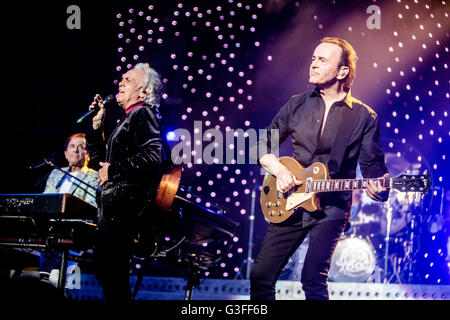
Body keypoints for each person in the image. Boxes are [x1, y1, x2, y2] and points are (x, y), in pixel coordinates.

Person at [250, 37, 390, 300]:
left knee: (313, 279)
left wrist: (379, 188)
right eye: (313, 58)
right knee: (260, 277)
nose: (313, 64)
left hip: (332, 207)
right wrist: (279, 171)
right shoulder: (297, 104)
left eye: (322, 60)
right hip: (290, 199)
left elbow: (373, 169)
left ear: (342, 72)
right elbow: (260, 145)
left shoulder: (363, 116)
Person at [86, 62, 164, 301]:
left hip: (125, 209)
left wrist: (115, 170)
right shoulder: (126, 119)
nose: (120, 83)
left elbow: (154, 155)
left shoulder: (143, 113)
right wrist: (97, 125)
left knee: (111, 273)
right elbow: (101, 164)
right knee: (108, 272)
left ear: (144, 91)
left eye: (128, 80)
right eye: (121, 79)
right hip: (113, 208)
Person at [40, 133, 99, 280]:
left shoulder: (94, 177)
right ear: (66, 153)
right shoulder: (55, 174)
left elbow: (91, 207)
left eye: (81, 147)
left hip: (73, 234)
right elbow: (45, 201)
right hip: (49, 233)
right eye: (72, 146)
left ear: (88, 154)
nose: (76, 150)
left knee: (57, 280)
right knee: (45, 278)